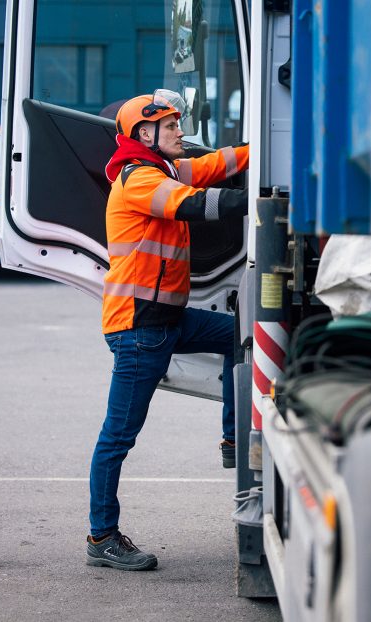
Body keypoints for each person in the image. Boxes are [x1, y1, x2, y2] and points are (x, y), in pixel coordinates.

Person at [85, 90, 249, 571]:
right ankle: (101, 537)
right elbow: (192, 204)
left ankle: (232, 440)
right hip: (139, 328)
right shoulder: (139, 179)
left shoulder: (163, 169)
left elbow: (215, 165)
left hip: (166, 319)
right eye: (172, 126)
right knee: (118, 437)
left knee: (242, 335)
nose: (181, 132)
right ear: (144, 133)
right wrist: (265, 201)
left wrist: (261, 149)